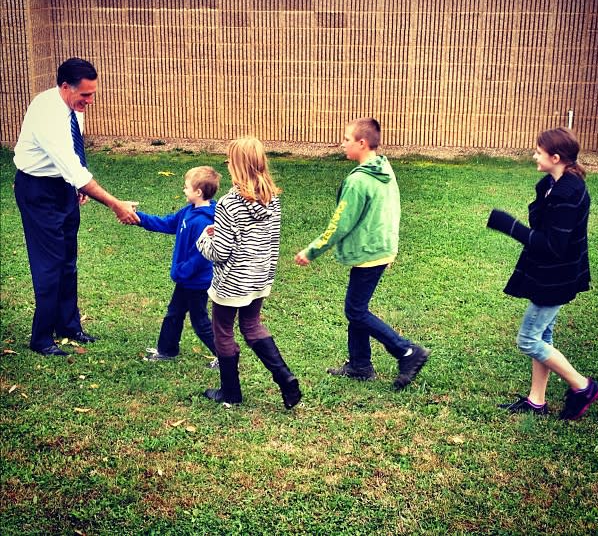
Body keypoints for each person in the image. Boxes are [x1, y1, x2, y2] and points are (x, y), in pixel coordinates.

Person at [13, 57, 140, 357]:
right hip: (38, 190)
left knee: (68, 258)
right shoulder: (48, 115)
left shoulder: (73, 108)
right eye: (85, 94)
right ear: (65, 86)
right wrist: (115, 204)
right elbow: (70, 164)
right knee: (49, 264)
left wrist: (74, 185)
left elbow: (74, 155)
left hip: (63, 187)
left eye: (93, 93)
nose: (90, 100)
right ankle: (41, 338)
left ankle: (69, 326)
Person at [295, 117, 430, 390]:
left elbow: (340, 223)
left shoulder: (358, 181)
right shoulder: (384, 169)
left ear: (362, 143)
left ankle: (407, 352)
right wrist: (391, 247)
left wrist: (312, 251)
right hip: (380, 248)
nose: (342, 143)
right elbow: (392, 211)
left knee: (355, 310)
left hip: (370, 251)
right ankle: (360, 365)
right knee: (357, 307)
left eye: (346, 139)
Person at [487, 127, 598, 420]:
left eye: (539, 152)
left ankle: (583, 386)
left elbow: (552, 245)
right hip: (550, 274)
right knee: (543, 335)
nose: (534, 155)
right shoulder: (554, 184)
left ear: (555, 156)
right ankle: (536, 401)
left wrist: (507, 225)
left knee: (528, 339)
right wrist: (544, 189)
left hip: (556, 275)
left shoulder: (569, 191)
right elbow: (543, 223)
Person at [196, 137, 301, 409]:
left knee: (223, 331)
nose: (228, 165)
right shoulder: (272, 198)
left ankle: (230, 393)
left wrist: (203, 240)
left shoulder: (229, 203)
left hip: (232, 282)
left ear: (238, 165)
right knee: (252, 325)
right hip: (259, 277)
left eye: (230, 161)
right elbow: (272, 239)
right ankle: (285, 378)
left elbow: (220, 252)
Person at [137, 166, 220, 366]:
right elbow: (166, 223)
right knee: (174, 314)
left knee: (200, 322)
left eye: (186, 187)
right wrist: (137, 218)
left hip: (196, 282)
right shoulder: (188, 212)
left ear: (198, 192)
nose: (183, 190)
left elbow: (203, 255)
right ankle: (167, 350)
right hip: (185, 280)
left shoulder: (203, 222)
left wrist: (184, 271)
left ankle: (225, 356)